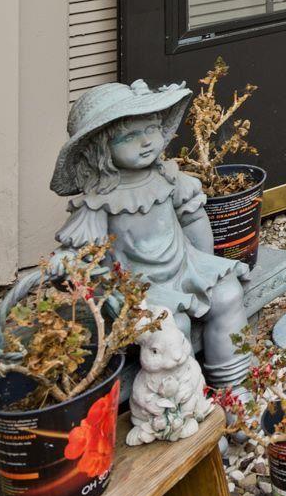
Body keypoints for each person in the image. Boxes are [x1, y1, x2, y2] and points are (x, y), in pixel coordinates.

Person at [49, 80, 253, 387]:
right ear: (102, 149)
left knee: (228, 294)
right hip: (138, 287)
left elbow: (193, 218)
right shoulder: (98, 201)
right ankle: (182, 401)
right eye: (129, 136)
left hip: (185, 265)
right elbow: (86, 252)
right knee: (173, 325)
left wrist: (206, 265)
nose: (146, 142)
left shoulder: (167, 176)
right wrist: (67, 262)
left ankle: (232, 385)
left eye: (151, 129)